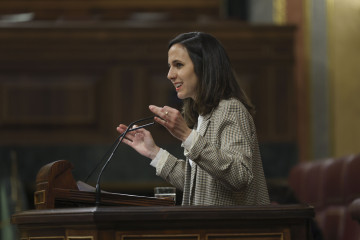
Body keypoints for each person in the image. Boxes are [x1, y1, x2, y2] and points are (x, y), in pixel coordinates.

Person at [117, 32, 270, 205]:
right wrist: (154, 152)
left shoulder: (230, 109)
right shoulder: (203, 115)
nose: (169, 74)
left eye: (178, 65)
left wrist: (187, 136)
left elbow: (239, 176)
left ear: (204, 67)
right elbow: (200, 184)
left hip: (232, 230)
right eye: (170, 66)